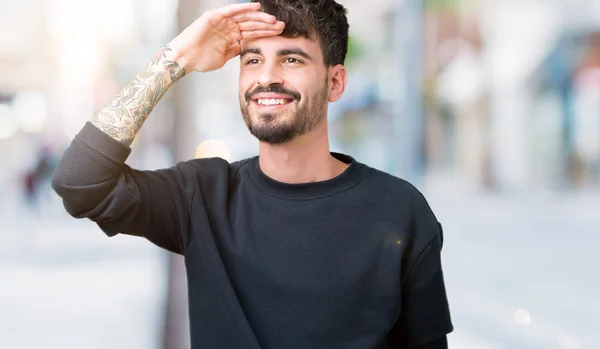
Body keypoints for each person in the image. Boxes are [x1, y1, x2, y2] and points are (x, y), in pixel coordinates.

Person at [51, 1, 453, 348]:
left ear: (334, 81)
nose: (265, 77)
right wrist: (175, 60)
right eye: (253, 59)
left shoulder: (400, 210)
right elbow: (79, 182)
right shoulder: (202, 196)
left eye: (291, 59)